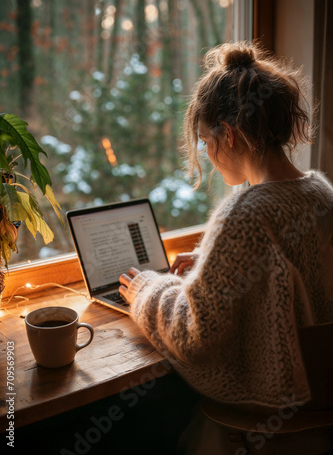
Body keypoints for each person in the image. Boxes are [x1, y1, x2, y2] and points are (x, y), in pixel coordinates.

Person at [119, 41, 333, 453]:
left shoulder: (245, 213)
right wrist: (210, 262)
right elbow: (297, 268)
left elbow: (192, 336)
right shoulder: (320, 193)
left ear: (228, 134)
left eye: (204, 140)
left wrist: (146, 287)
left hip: (271, 418)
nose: (206, 153)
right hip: (321, 401)